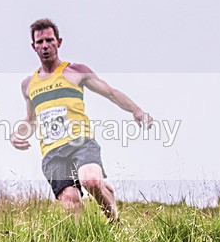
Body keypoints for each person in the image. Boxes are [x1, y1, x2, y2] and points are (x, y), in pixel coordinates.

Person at [10, 18, 150, 221]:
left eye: (49, 40)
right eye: (40, 42)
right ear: (33, 47)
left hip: (80, 141)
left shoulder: (75, 72)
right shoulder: (28, 84)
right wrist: (16, 135)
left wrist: (136, 111)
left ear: (59, 42)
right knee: (70, 198)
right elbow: (30, 120)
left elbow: (110, 92)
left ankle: (115, 223)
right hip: (51, 151)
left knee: (91, 181)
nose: (45, 46)